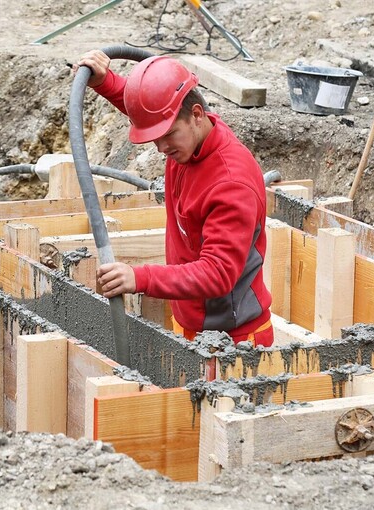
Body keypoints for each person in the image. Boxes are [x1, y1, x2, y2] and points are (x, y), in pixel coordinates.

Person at [75, 50, 273, 347]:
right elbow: (153, 114)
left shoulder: (231, 182)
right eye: (155, 137)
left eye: (168, 135)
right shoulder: (188, 143)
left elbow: (218, 273)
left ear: (196, 115)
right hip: (193, 327)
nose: (160, 147)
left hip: (236, 343)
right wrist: (106, 82)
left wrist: (139, 278)